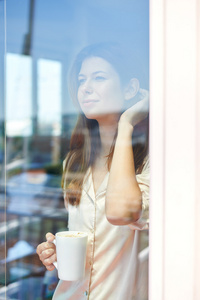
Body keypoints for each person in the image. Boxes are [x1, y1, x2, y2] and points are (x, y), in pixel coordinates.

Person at [36, 42, 149, 300]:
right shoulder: (74, 162)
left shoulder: (152, 164)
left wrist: (127, 124)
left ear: (131, 88)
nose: (85, 88)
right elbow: (82, 240)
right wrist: (54, 252)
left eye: (99, 78)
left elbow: (121, 212)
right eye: (81, 80)